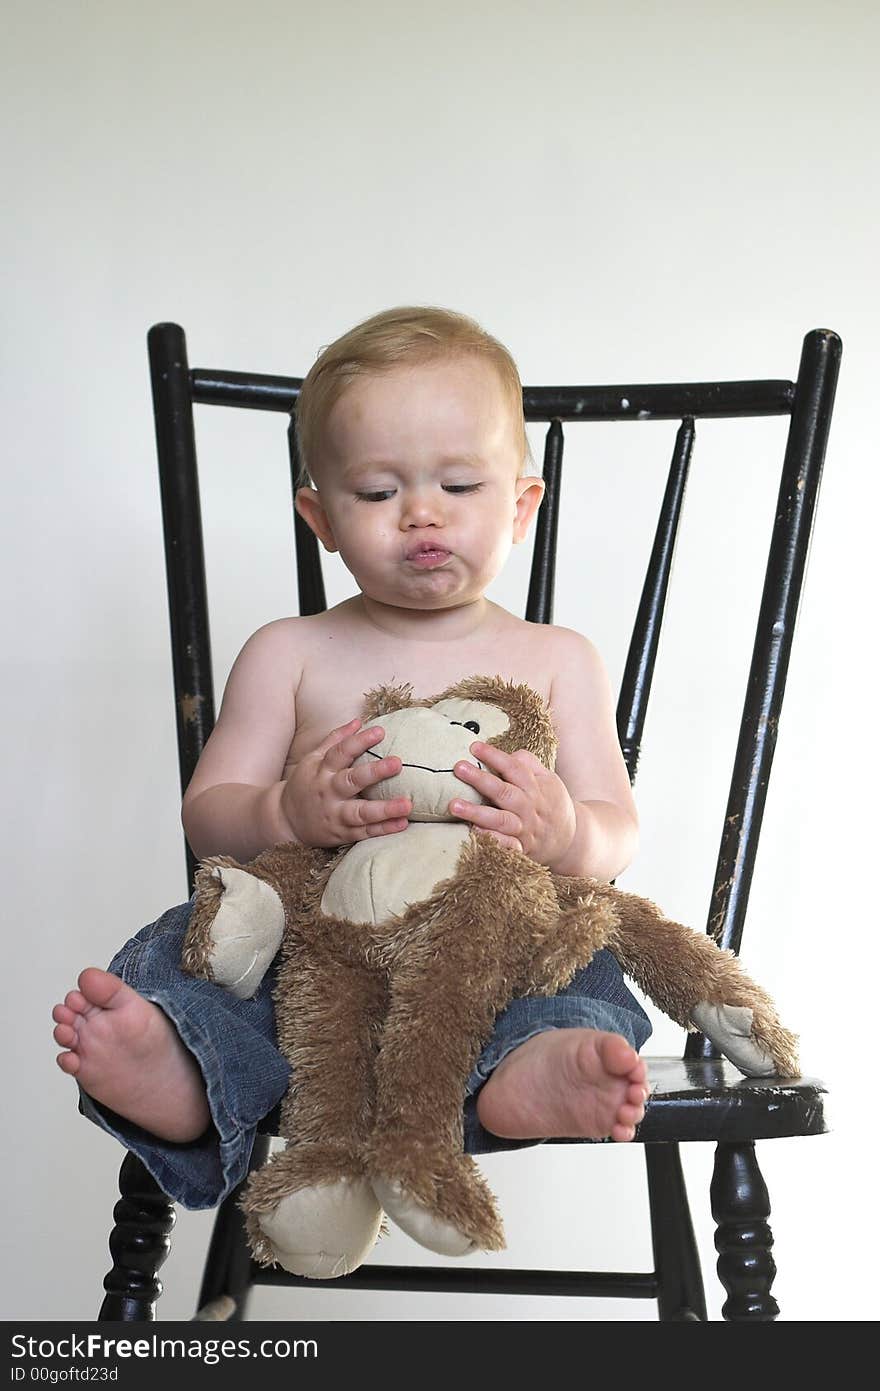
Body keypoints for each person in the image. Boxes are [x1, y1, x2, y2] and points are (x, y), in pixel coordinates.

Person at [51, 306, 652, 1212]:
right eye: (376, 494)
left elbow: (616, 831)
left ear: (522, 504)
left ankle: (533, 1066)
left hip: (484, 950)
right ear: (319, 515)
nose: (421, 513)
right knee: (200, 949)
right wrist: (283, 814)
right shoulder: (290, 651)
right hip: (317, 961)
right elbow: (209, 808)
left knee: (581, 960)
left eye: (460, 484)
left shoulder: (560, 658)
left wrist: (566, 828)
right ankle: (183, 1065)